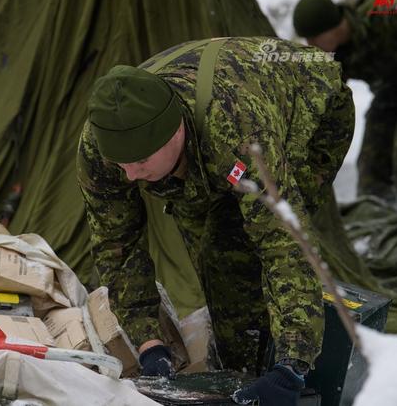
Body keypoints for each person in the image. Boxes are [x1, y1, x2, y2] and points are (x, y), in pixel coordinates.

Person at [76, 37, 354, 405]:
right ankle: (236, 370)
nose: (129, 176)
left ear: (174, 132)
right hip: (203, 150)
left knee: (233, 252)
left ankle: (273, 369)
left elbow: (284, 243)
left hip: (315, 110)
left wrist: (292, 367)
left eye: (140, 162)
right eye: (120, 165)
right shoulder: (101, 147)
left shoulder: (239, 130)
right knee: (211, 261)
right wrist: (148, 342)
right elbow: (117, 245)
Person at [293, 0, 397, 202]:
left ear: (332, 28)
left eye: (313, 38)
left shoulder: (385, 17)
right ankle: (380, 218)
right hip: (390, 93)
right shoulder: (336, 54)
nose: (310, 44)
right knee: (372, 166)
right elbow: (324, 100)